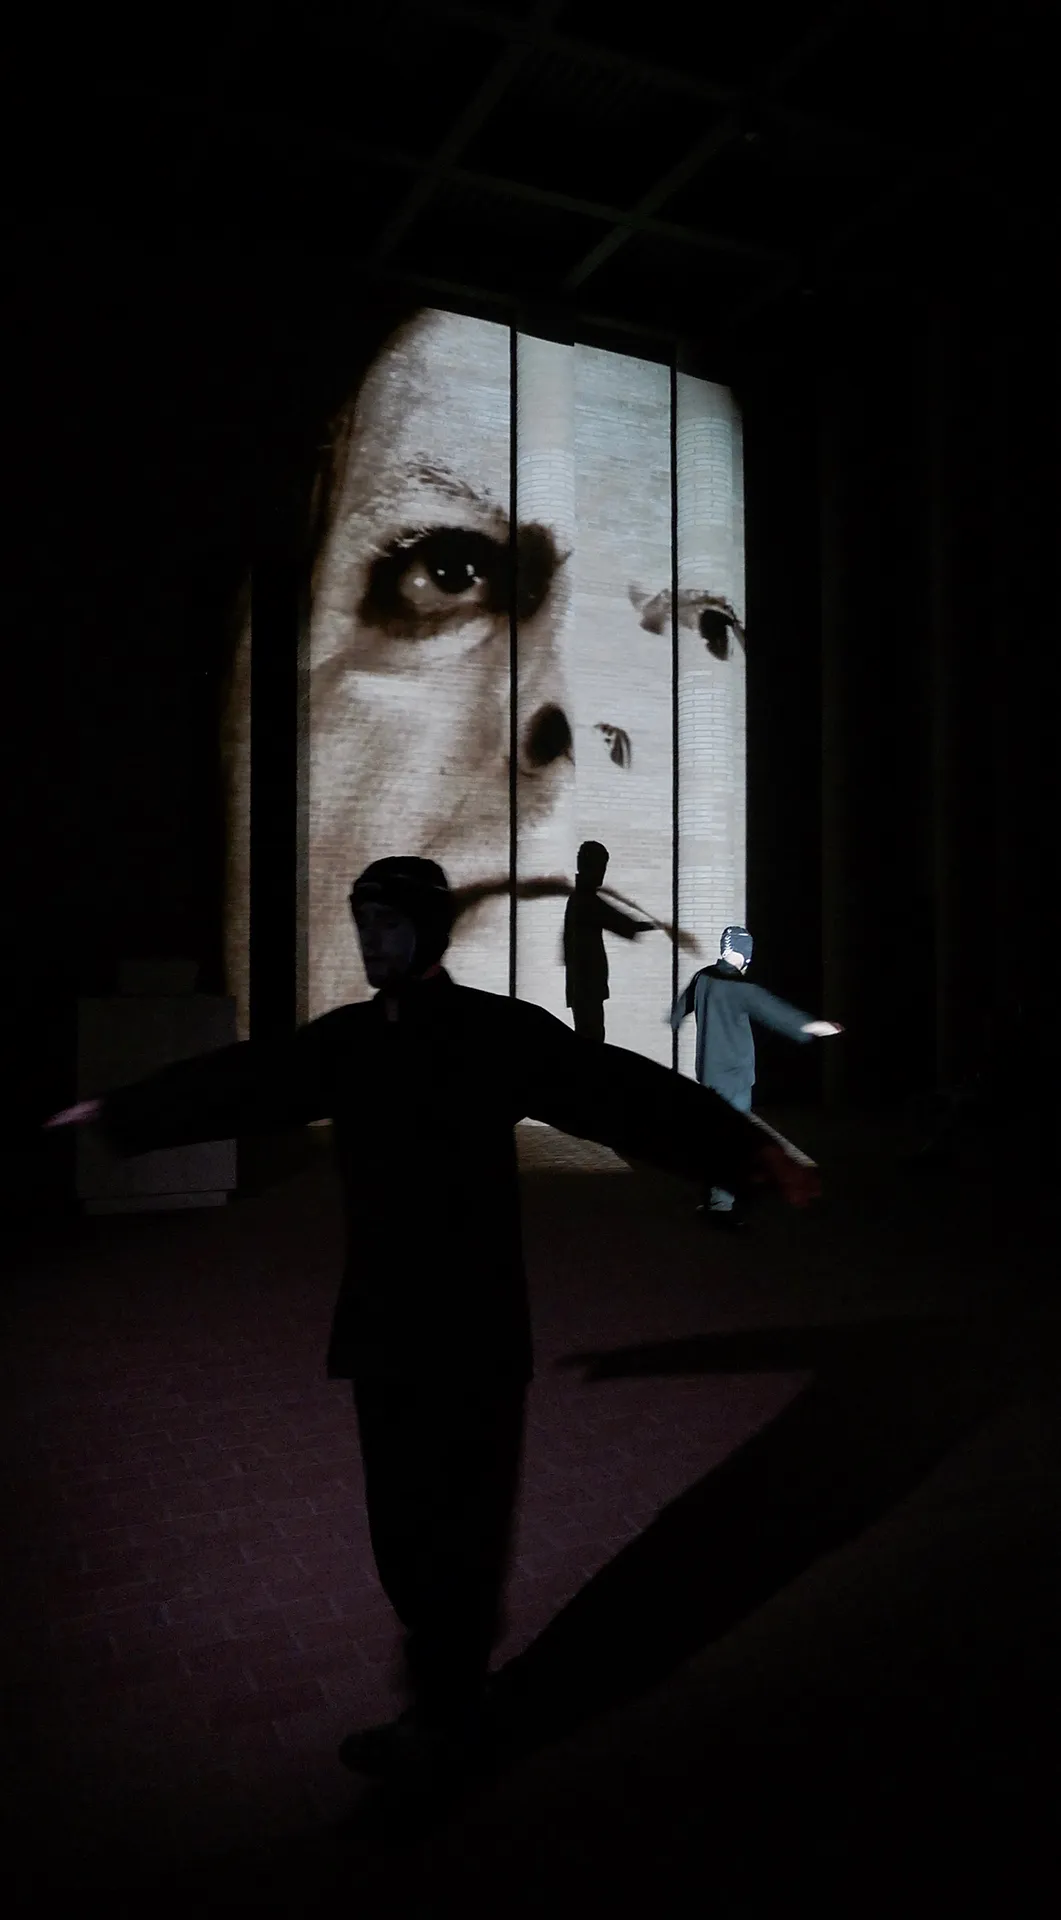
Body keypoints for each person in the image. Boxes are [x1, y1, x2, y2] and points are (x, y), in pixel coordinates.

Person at [47, 860, 820, 1791]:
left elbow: (618, 1091)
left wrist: (745, 1151)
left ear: (428, 930)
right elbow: (246, 1080)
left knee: (464, 1528)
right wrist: (125, 1110)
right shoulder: (349, 1043)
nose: (370, 940)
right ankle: (441, 1710)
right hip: (384, 1327)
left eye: (387, 923)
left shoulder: (492, 1033)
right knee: (405, 1533)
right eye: (362, 921)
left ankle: (450, 1725)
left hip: (473, 1326)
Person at [670, 925, 843, 1226]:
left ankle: (717, 1198)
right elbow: (779, 1014)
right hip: (735, 1077)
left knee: (717, 1137)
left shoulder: (703, 978)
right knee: (734, 1140)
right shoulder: (741, 988)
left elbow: (680, 1009)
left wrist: (674, 1020)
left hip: (709, 1073)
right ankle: (722, 1205)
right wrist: (816, 1027)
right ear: (745, 955)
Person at [563, 841, 658, 1042]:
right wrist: (650, 925)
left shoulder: (579, 899)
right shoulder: (586, 900)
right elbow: (619, 922)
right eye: (600, 868)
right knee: (592, 1037)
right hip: (587, 985)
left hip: (583, 985)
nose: (602, 874)